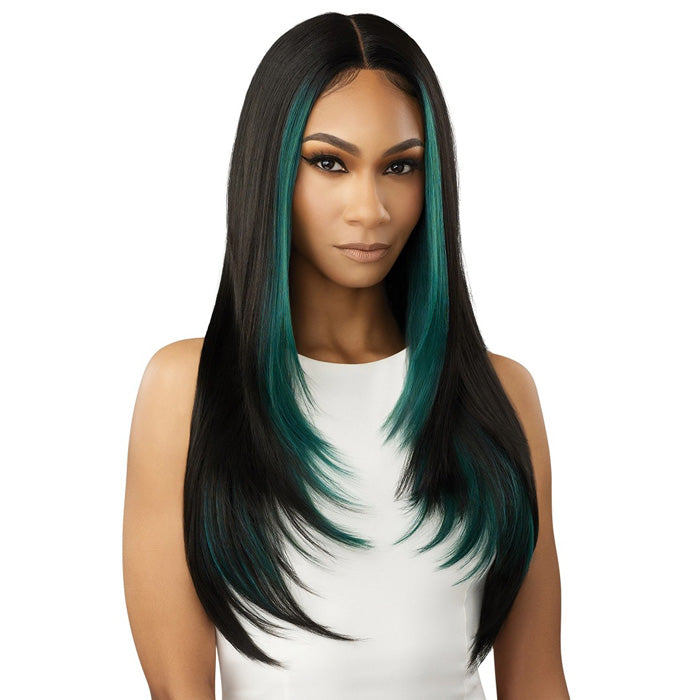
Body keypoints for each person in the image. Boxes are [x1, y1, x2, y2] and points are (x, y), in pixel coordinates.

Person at [123, 11, 570, 700]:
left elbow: (537, 681)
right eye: (330, 162)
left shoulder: (500, 395)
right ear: (270, 167)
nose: (371, 209)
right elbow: (179, 692)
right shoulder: (189, 389)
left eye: (400, 166)